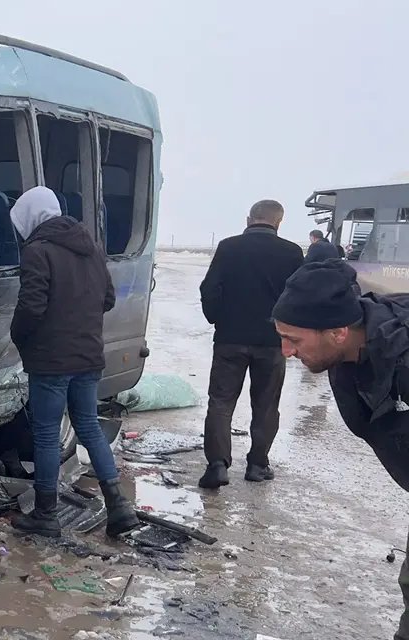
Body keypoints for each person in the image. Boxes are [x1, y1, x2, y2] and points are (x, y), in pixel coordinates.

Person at [272, 260, 409, 639]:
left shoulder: (402, 360)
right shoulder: (346, 353)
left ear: (337, 333)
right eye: (282, 336)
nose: (285, 351)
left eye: (294, 340)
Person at [6, 186, 139, 539]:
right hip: (88, 354)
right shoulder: (90, 247)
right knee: (89, 427)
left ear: (31, 217)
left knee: (48, 435)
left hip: (51, 359)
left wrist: (19, 335)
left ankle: (46, 515)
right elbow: (108, 298)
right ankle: (118, 507)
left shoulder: (38, 251)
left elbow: (31, 307)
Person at [197, 200, 303, 488]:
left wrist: (216, 318)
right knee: (267, 405)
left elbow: (209, 287)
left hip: (230, 338)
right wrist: (289, 332)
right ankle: (257, 465)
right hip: (272, 342)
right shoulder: (292, 252)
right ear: (279, 222)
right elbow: (299, 296)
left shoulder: (229, 247)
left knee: (220, 402)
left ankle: (217, 465)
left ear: (249, 219)